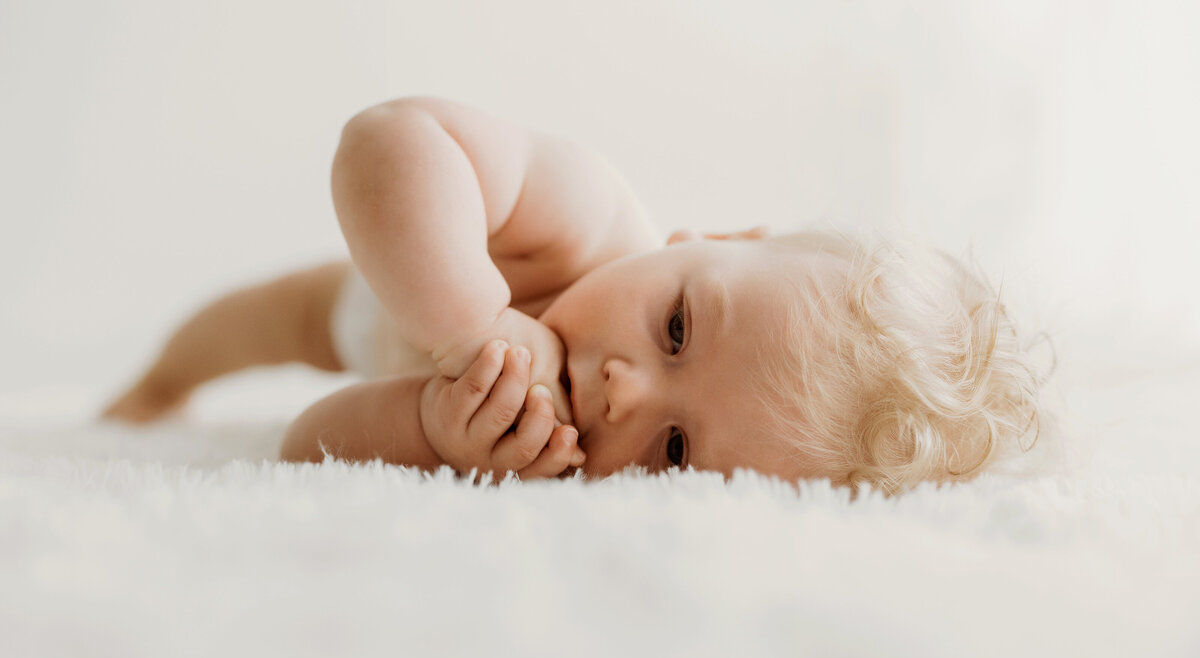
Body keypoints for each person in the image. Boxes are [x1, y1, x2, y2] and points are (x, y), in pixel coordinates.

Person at [102, 96, 1046, 495]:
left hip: (376, 358)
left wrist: (438, 428)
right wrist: (471, 325)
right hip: (368, 293)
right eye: (677, 326)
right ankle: (157, 382)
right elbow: (389, 140)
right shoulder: (587, 218)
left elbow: (308, 444)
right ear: (719, 240)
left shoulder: (550, 461)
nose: (625, 394)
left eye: (675, 454)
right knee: (244, 329)